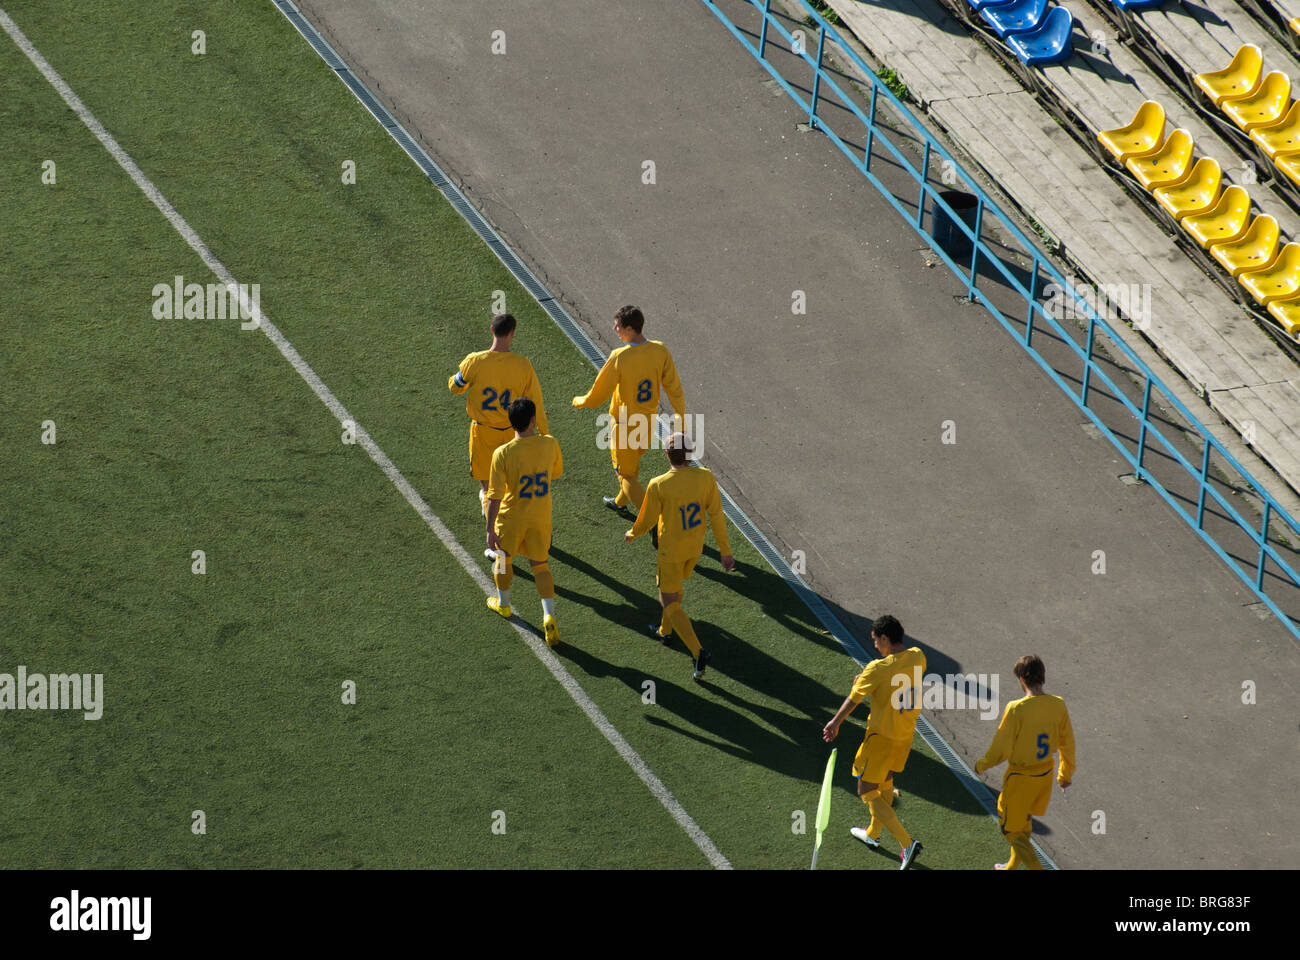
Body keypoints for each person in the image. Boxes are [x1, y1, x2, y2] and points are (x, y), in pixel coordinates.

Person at [624, 433, 733, 681]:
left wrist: (632, 533)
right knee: (674, 592)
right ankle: (665, 631)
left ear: (666, 455)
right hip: (694, 548)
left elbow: (647, 519)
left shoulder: (659, 484)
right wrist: (725, 552)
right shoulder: (705, 477)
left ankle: (698, 652)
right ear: (690, 453)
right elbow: (716, 515)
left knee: (668, 600)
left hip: (671, 551)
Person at [822, 615, 925, 870]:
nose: (875, 646)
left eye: (876, 641)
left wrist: (835, 723)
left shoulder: (877, 669)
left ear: (886, 639)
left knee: (866, 789)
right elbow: (892, 679)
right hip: (905, 736)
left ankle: (907, 843)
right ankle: (873, 832)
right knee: (885, 780)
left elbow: (854, 699)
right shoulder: (918, 656)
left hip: (881, 738)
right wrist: (867, 678)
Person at [572, 305, 685, 517]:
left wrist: (580, 401)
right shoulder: (660, 350)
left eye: (618, 326)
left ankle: (654, 518)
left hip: (625, 424)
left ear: (630, 328)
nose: (615, 329)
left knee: (624, 474)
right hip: (648, 421)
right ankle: (620, 502)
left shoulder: (619, 357)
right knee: (632, 467)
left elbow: (598, 393)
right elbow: (674, 388)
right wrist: (681, 420)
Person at [975, 654, 1074, 870]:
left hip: (1021, 778)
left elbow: (1001, 749)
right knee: (1024, 821)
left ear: (1021, 678)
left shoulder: (1016, 709)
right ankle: (1010, 867)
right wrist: (1064, 775)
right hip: (1045, 776)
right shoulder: (1058, 705)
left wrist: (982, 764)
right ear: (1043, 677)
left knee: (1009, 828)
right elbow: (1068, 743)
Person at [449, 313, 549, 519]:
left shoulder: (475, 361)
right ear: (512, 334)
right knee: (513, 485)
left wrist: (462, 378)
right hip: (513, 435)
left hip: (483, 434)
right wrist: (544, 433)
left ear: (491, 330)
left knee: (488, 489)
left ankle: (494, 532)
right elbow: (536, 401)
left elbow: (455, 387)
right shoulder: (523, 365)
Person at [485, 398, 563, 647]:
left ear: (511, 423)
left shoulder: (503, 453)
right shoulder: (550, 443)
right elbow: (556, 472)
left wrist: (489, 528)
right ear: (533, 420)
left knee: (504, 559)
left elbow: (494, 496)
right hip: (540, 516)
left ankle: (504, 604)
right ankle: (548, 614)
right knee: (541, 566)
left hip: (512, 517)